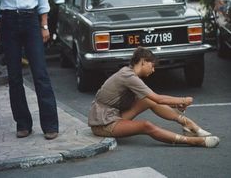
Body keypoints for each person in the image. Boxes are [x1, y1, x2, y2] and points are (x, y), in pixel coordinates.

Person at [0, 0, 59, 140]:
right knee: (14, 76)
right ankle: (23, 124)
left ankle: (50, 125)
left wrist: (44, 26)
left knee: (40, 73)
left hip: (31, 21)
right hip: (9, 22)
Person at [88, 47, 219, 148]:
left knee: (147, 100)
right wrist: (183, 100)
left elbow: (152, 100)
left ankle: (189, 125)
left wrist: (175, 104)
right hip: (104, 123)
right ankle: (193, 141)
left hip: (114, 115)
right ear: (143, 61)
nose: (153, 70)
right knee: (146, 125)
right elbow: (158, 99)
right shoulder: (127, 76)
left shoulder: (129, 74)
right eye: (152, 65)